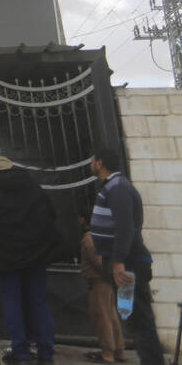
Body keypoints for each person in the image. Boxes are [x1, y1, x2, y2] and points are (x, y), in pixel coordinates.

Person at [0, 140, 60, 364]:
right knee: (39, 301)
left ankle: (21, 353)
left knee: (12, 302)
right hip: (35, 251)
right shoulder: (24, 177)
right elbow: (49, 209)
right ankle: (47, 353)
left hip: (4, 253)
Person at [90, 147, 164, 365]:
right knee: (132, 317)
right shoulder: (113, 186)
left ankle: (153, 361)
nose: (91, 164)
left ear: (100, 162)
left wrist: (118, 261)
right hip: (125, 263)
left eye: (93, 160)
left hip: (128, 264)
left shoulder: (118, 188)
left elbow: (125, 227)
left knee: (139, 319)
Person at [78, 213, 125, 363]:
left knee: (102, 317)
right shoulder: (104, 235)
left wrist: (109, 275)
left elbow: (99, 262)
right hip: (106, 281)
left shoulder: (89, 238)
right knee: (111, 316)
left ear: (84, 219)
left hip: (98, 282)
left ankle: (108, 353)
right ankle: (118, 350)